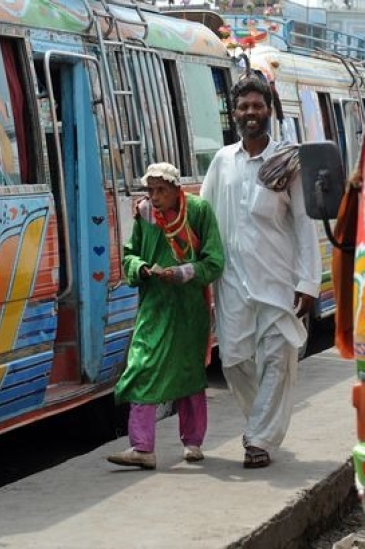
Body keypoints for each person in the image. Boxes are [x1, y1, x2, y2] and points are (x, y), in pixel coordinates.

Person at [201, 76, 321, 469]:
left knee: (278, 356)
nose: (250, 113)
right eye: (243, 107)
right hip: (232, 281)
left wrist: (308, 282)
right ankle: (262, 424)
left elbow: (304, 223)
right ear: (234, 113)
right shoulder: (222, 161)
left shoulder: (287, 162)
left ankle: (259, 440)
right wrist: (153, 211)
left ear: (269, 109)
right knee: (234, 361)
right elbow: (200, 214)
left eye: (257, 106)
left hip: (278, 280)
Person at [107, 162, 224, 470]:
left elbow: (214, 261)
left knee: (189, 373)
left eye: (161, 190)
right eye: (151, 190)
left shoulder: (198, 211)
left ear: (176, 190)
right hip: (154, 306)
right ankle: (142, 447)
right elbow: (130, 254)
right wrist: (142, 269)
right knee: (142, 367)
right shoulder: (144, 213)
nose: (155, 197)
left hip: (189, 307)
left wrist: (185, 272)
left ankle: (193, 442)